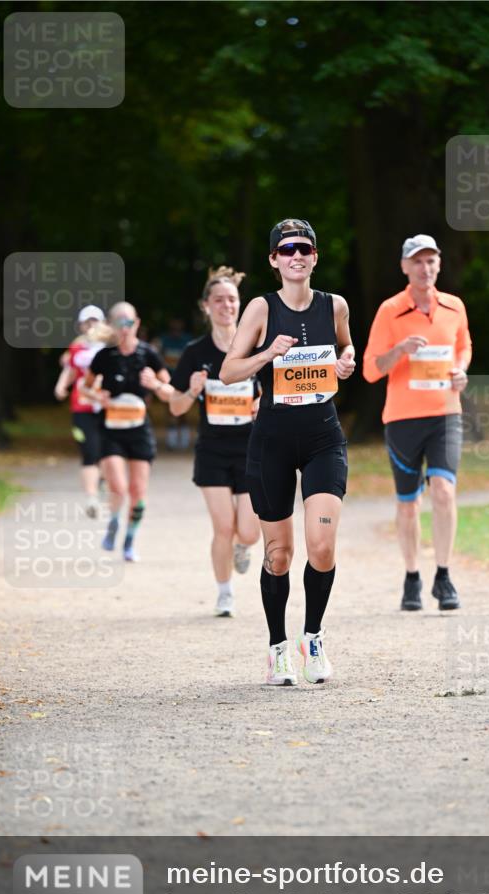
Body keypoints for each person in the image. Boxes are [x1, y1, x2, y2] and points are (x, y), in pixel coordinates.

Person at [220, 218, 355, 686]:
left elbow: (346, 349)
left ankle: (312, 638)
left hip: (323, 438)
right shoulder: (260, 308)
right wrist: (267, 354)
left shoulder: (335, 305)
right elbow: (231, 370)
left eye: (305, 248)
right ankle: (278, 647)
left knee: (320, 547)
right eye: (287, 249)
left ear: (315, 257)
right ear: (274, 260)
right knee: (278, 554)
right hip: (272, 441)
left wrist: (347, 361)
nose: (297, 255)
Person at [362, 234, 472, 612]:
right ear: (405, 267)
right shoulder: (389, 310)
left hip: (445, 413)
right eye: (418, 262)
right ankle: (412, 576)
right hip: (403, 419)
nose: (425, 268)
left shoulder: (454, 306)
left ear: (439, 264)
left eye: (431, 261)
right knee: (408, 504)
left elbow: (463, 346)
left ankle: (443, 575)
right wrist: (400, 351)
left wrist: (461, 371)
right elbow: (370, 370)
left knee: (443, 491)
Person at [169, 267, 261, 617]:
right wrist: (192, 390)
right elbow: (175, 406)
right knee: (223, 526)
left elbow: (274, 393)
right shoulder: (195, 352)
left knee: (249, 532)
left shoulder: (254, 346)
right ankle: (225, 593)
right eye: (219, 300)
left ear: (240, 305)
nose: (226, 305)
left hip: (252, 448)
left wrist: (261, 403)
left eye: (232, 299)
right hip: (212, 450)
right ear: (206, 306)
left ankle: (242, 546)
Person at [81, 301, 174, 562]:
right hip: (111, 430)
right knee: (119, 488)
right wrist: (99, 398)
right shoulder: (104, 357)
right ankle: (112, 522)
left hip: (139, 430)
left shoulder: (148, 355)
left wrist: (154, 384)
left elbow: (171, 392)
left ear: (137, 324)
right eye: (120, 323)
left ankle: (130, 538)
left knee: (137, 491)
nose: (125, 328)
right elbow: (84, 389)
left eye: (129, 322)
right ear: (111, 325)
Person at [53, 305, 111, 518]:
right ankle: (91, 498)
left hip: (106, 406)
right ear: (81, 325)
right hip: (82, 406)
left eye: (95, 321)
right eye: (87, 322)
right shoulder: (76, 349)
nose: (91, 326)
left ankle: (104, 480)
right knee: (90, 451)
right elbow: (70, 369)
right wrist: (61, 386)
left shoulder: (110, 347)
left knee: (107, 452)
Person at [153, 318, 193, 449]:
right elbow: (158, 356)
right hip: (168, 378)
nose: (176, 328)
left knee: (184, 409)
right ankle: (172, 439)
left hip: (184, 378)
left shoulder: (187, 340)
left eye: (178, 325)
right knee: (169, 407)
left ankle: (184, 439)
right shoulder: (164, 340)